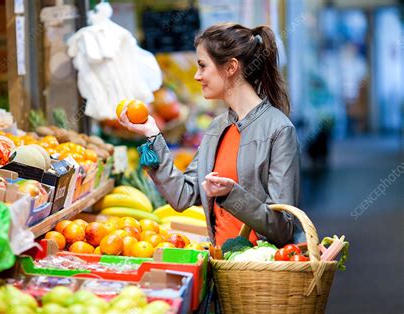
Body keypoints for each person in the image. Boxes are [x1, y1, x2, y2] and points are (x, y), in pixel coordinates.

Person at [118, 23, 301, 248]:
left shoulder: (279, 130)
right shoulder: (217, 128)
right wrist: (152, 135)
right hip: (219, 267)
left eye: (203, 66)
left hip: (258, 273)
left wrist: (232, 194)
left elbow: (283, 227)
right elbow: (183, 196)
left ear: (231, 67)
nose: (197, 76)